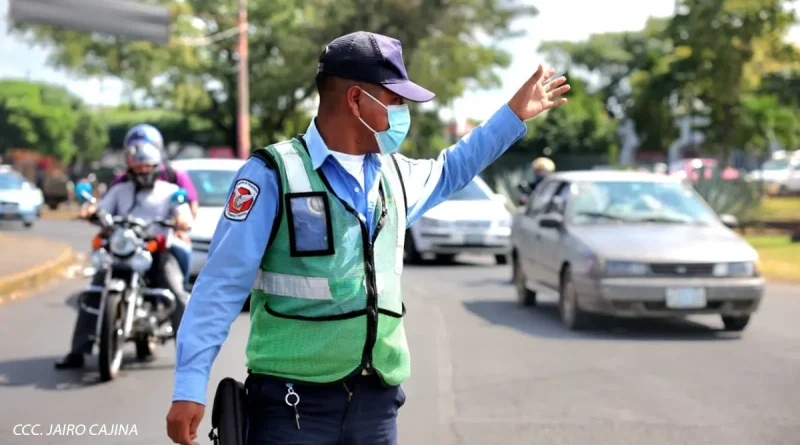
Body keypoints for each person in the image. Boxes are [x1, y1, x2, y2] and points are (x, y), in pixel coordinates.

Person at [166, 31, 570, 445]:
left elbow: (454, 167)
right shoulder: (273, 174)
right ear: (356, 100)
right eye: (395, 100)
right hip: (291, 406)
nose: (403, 113)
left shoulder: (395, 175)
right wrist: (189, 386)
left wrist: (514, 115)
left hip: (376, 404)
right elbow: (219, 286)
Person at [54, 141, 194, 370]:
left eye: (147, 167)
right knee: (93, 292)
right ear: (130, 170)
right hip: (123, 251)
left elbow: (183, 213)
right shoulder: (120, 190)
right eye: (137, 168)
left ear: (156, 167)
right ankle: (77, 352)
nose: (142, 172)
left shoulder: (169, 192)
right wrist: (90, 211)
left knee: (177, 294)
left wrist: (181, 220)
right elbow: (103, 209)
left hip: (155, 252)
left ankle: (189, 355)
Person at [113, 124, 197, 282]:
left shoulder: (174, 176)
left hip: (161, 239)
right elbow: (109, 205)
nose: (142, 166)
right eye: (134, 151)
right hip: (131, 240)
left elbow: (189, 204)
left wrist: (181, 228)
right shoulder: (124, 179)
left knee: (174, 279)